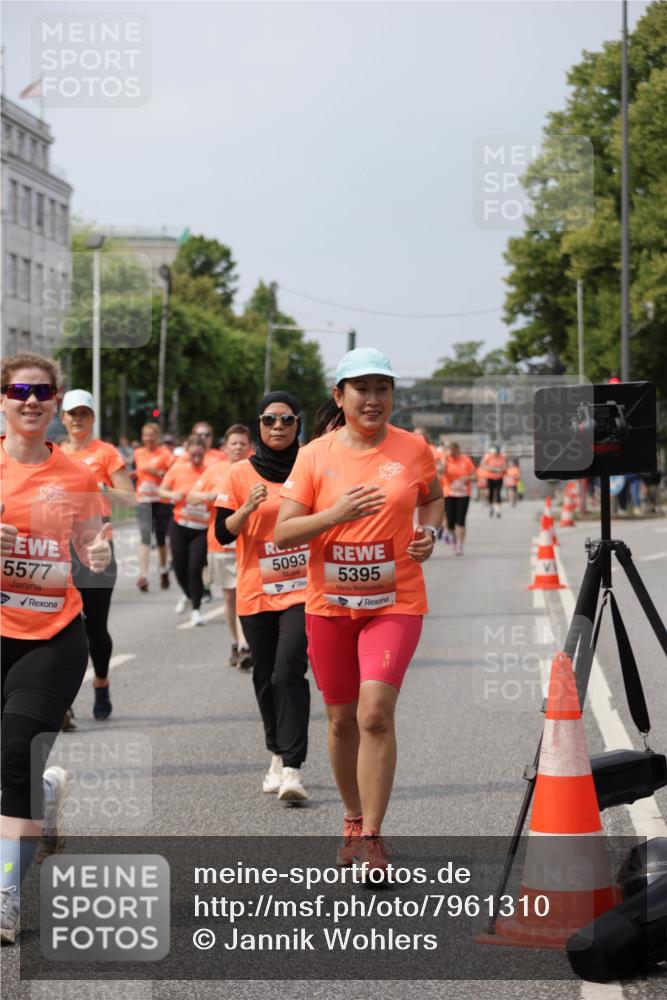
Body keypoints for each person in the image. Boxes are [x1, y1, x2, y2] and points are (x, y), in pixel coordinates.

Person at [274, 348, 443, 870]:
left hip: (396, 600)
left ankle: (372, 835)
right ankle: (351, 815)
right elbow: (283, 530)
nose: (373, 399)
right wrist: (334, 514)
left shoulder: (414, 449)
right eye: (361, 389)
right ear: (339, 395)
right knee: (342, 719)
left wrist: (430, 531)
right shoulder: (315, 455)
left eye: (382, 388)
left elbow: (431, 498)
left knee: (374, 713)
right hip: (328, 605)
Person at [0, 352, 111, 944]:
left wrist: (97, 555)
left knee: (16, 751)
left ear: (56, 399)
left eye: (42, 392)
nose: (31, 400)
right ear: (2, 397)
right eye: (19, 389)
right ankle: (45, 794)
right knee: (12, 767)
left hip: (50, 632)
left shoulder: (74, 475)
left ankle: (6, 894)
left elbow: (96, 546)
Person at [215, 393, 310, 802]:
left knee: (288, 668)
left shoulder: (311, 466)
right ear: (259, 424)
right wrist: (247, 509)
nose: (278, 426)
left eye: (287, 420)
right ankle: (275, 752)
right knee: (264, 675)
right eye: (270, 419)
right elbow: (223, 533)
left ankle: (292, 767)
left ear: (297, 424)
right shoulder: (239, 474)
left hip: (304, 589)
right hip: (257, 590)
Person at [60, 390, 135, 720]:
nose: (78, 419)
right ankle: (62, 702)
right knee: (61, 626)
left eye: (84, 413)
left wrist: (100, 488)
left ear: (92, 418)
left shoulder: (105, 453)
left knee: (95, 629)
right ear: (62, 418)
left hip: (95, 546)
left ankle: (101, 682)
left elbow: (130, 499)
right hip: (57, 545)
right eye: (72, 413)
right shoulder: (54, 454)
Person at [187, 424, 253, 668]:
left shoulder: (255, 469)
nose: (238, 447)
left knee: (246, 594)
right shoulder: (214, 471)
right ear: (225, 447)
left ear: (250, 447)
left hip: (250, 543)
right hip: (220, 543)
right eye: (233, 443)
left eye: (242, 443)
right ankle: (236, 643)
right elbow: (192, 497)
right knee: (229, 598)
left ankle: (246, 645)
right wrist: (211, 495)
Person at [159, 435, 210, 626]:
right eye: (193, 455)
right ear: (188, 452)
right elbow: (161, 490)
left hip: (202, 528)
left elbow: (221, 493)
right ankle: (189, 596)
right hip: (180, 524)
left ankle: (196, 609)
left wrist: (208, 496)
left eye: (200, 455)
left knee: (195, 568)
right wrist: (173, 494)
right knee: (179, 568)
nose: (196, 458)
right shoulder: (178, 469)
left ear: (205, 453)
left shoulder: (209, 472)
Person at [133, 423, 174, 592]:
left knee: (161, 539)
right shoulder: (138, 453)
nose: (149, 438)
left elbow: (172, 475)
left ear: (157, 436)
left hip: (161, 500)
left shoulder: (165, 454)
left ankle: (163, 569)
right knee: (145, 538)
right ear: (142, 437)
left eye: (152, 435)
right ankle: (143, 575)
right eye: (146, 435)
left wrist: (157, 473)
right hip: (143, 500)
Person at [440, 441, 476, 555]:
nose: (451, 453)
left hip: (463, 494)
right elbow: (439, 472)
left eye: (453, 450)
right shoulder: (445, 460)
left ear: (457, 449)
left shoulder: (466, 460)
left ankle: (460, 544)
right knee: (450, 521)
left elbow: (475, 476)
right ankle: (453, 540)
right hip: (449, 493)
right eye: (449, 450)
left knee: (460, 520)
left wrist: (467, 478)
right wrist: (445, 461)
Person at [480, 445, 507, 517]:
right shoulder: (488, 456)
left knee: (498, 493)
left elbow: (505, 466)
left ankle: (498, 509)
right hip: (490, 477)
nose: (497, 454)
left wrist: (502, 469)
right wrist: (490, 468)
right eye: (496, 452)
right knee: (491, 493)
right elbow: (482, 465)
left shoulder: (502, 457)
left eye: (498, 452)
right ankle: (492, 507)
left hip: (499, 477)